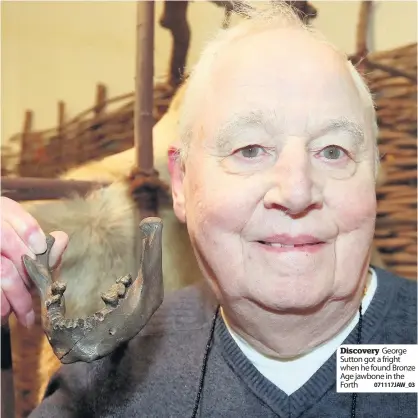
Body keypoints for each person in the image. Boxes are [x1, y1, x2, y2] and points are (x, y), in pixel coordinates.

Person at [1, 2, 416, 417]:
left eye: (333, 151)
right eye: (250, 149)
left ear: (374, 174)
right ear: (181, 183)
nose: (296, 190)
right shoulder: (106, 379)